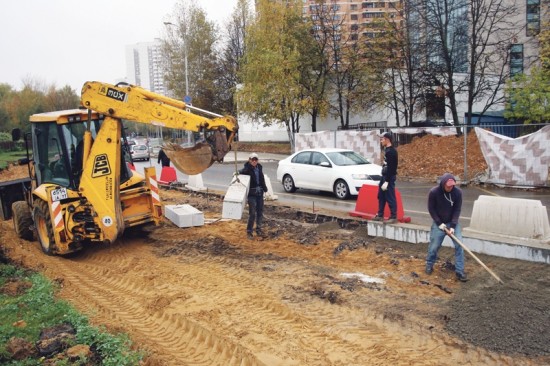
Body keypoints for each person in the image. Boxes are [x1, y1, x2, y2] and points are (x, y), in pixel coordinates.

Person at [425, 173, 468, 282]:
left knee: (459, 245)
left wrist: (453, 226)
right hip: (438, 223)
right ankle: (429, 264)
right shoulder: (434, 192)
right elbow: (431, 209)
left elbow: (457, 210)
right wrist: (439, 223)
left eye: (452, 185)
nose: (450, 187)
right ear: (443, 184)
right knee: (434, 246)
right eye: (448, 185)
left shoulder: (458, 193)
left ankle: (459, 271)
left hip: (452, 223)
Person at [239, 152, 268, 239]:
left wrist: (265, 188)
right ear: (249, 160)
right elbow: (242, 171)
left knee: (260, 212)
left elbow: (261, 178)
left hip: (259, 193)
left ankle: (259, 229)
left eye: (256, 159)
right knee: (252, 213)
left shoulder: (259, 167)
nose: (254, 161)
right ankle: (249, 232)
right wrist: (237, 173)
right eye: (253, 160)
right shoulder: (247, 169)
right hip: (252, 194)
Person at [373, 132, 398, 223]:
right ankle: (380, 214)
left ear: (387, 140)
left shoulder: (391, 152)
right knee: (381, 195)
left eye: (382, 139)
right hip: (384, 176)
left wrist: (387, 181)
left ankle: (393, 216)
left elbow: (392, 168)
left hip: (389, 177)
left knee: (390, 196)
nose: (381, 141)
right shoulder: (387, 150)